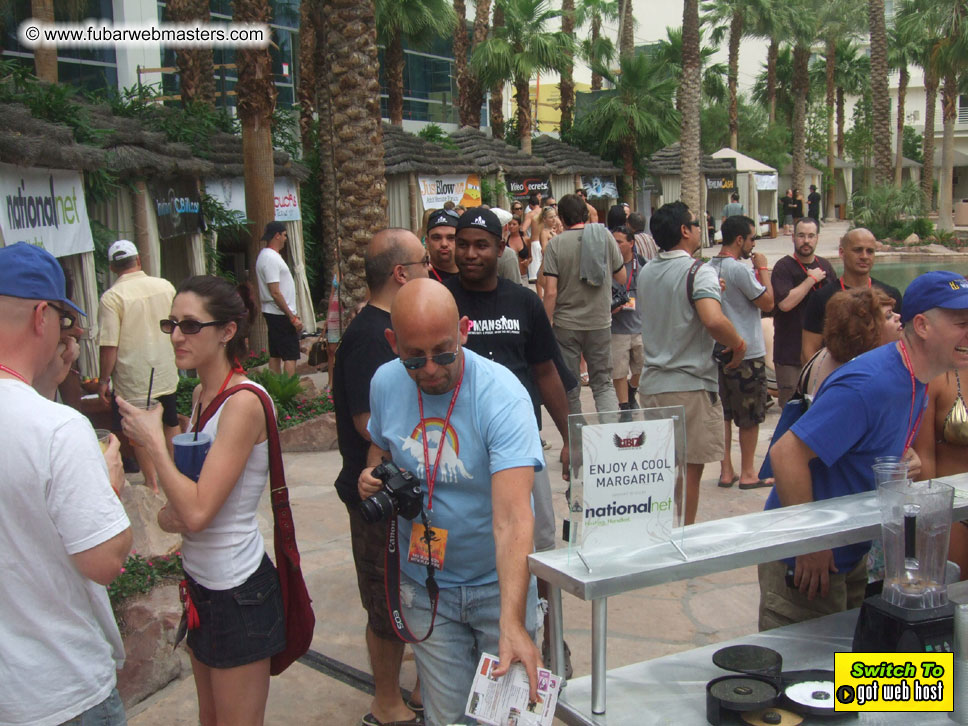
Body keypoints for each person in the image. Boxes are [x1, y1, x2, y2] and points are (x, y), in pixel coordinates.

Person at [359, 278, 544, 726]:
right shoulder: (385, 382)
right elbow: (382, 447)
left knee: (507, 720)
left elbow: (514, 518)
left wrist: (513, 620)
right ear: (392, 343)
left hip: (497, 586)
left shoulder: (501, 396)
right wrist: (373, 474)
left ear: (464, 330)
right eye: (413, 358)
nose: (429, 370)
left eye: (444, 353)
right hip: (425, 587)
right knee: (446, 719)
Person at [757, 270, 968, 631]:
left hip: (849, 551)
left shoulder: (916, 377)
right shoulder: (872, 383)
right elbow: (786, 453)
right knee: (807, 676)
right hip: (808, 561)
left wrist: (903, 460)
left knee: (851, 668)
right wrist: (812, 544)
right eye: (962, 323)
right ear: (921, 326)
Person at [119, 276, 286, 726]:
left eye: (191, 325)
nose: (177, 336)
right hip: (201, 584)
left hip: (238, 590)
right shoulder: (200, 395)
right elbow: (188, 503)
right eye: (172, 324)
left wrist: (154, 442)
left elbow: (195, 511)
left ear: (227, 331)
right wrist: (172, 514)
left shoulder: (244, 403)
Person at [0, 242, 132, 726]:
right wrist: (109, 489)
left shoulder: (44, 417)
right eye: (63, 320)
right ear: (41, 316)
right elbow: (104, 560)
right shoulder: (57, 429)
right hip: (58, 690)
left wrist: (46, 388)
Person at [445, 207, 575, 676]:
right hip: (457, 453)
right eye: (463, 244)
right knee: (469, 542)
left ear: (502, 249)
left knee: (536, 542)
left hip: (520, 451)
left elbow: (545, 372)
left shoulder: (524, 303)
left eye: (482, 244)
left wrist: (569, 436)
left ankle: (540, 632)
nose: (470, 253)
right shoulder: (441, 301)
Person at [332, 230, 429, 726]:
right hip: (376, 496)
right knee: (386, 599)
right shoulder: (372, 336)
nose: (432, 270)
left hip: (403, 496)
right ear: (401, 273)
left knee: (413, 592)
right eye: (424, 261)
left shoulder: (390, 327)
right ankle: (386, 702)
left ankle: (415, 691)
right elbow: (368, 421)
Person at [637, 202, 747, 526]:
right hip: (689, 385)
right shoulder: (699, 270)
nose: (701, 228)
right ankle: (684, 535)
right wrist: (738, 344)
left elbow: (672, 306)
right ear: (685, 231)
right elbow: (713, 321)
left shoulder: (647, 271)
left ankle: (659, 528)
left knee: (664, 466)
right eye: (697, 223)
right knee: (690, 470)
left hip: (653, 384)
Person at [97, 238, 180, 492]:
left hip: (134, 377)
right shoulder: (165, 286)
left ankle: (152, 483)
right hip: (166, 368)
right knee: (170, 422)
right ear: (139, 261)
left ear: (112, 267)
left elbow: (109, 344)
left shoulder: (112, 297)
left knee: (137, 430)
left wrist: (103, 380)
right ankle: (177, 477)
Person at [542, 193, 627, 415]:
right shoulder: (605, 237)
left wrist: (543, 324)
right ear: (585, 214)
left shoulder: (555, 245)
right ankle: (610, 438)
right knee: (603, 383)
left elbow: (550, 292)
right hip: (599, 322)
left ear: (561, 217)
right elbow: (622, 277)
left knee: (570, 387)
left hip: (566, 325)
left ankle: (577, 442)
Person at [710, 216, 775, 490]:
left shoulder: (708, 267)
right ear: (740, 240)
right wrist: (762, 268)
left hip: (717, 351)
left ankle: (726, 470)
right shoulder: (740, 270)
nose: (752, 244)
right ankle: (748, 473)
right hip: (746, 353)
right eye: (751, 239)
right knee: (750, 415)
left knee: (724, 413)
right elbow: (769, 302)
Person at [800, 228, 902, 362]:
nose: (864, 256)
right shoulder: (821, 298)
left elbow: (902, 344)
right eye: (858, 250)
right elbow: (809, 350)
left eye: (870, 251)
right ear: (842, 252)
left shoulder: (890, 295)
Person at [770, 217, 836, 407]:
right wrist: (810, 280)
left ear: (817, 238)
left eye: (810, 236)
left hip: (822, 353)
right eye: (801, 236)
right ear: (793, 238)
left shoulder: (825, 266)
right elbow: (785, 304)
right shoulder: (783, 267)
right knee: (792, 412)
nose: (806, 241)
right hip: (790, 354)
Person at [801, 288, 902, 398]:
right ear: (868, 329)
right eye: (888, 315)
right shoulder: (865, 375)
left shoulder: (820, 356)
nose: (898, 316)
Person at [255, 221, 303, 376]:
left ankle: (276, 389)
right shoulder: (270, 258)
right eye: (284, 235)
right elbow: (275, 292)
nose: (285, 239)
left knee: (275, 353)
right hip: (280, 313)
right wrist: (292, 317)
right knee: (290, 354)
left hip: (275, 313)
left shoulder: (268, 256)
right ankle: (288, 391)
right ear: (276, 235)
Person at [609, 224, 645, 411]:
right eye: (612, 242)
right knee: (619, 371)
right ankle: (624, 407)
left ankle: (632, 390)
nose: (615, 245)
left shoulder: (643, 264)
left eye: (619, 242)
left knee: (642, 368)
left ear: (631, 243)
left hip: (640, 326)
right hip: (616, 328)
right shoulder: (606, 266)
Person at [426, 208, 460, 283]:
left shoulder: (472, 276)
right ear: (427, 242)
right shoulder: (421, 278)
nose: (444, 244)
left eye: (451, 238)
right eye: (437, 238)